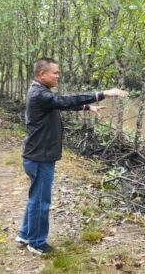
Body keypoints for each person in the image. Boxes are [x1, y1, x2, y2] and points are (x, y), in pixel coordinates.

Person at [16, 57, 127, 254]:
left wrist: (87, 107)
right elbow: (64, 100)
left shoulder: (39, 92)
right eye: (55, 73)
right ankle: (37, 242)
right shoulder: (40, 94)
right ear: (42, 74)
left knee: (36, 197)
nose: (58, 76)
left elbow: (59, 103)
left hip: (37, 154)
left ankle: (25, 234)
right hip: (40, 157)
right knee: (41, 201)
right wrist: (102, 94)